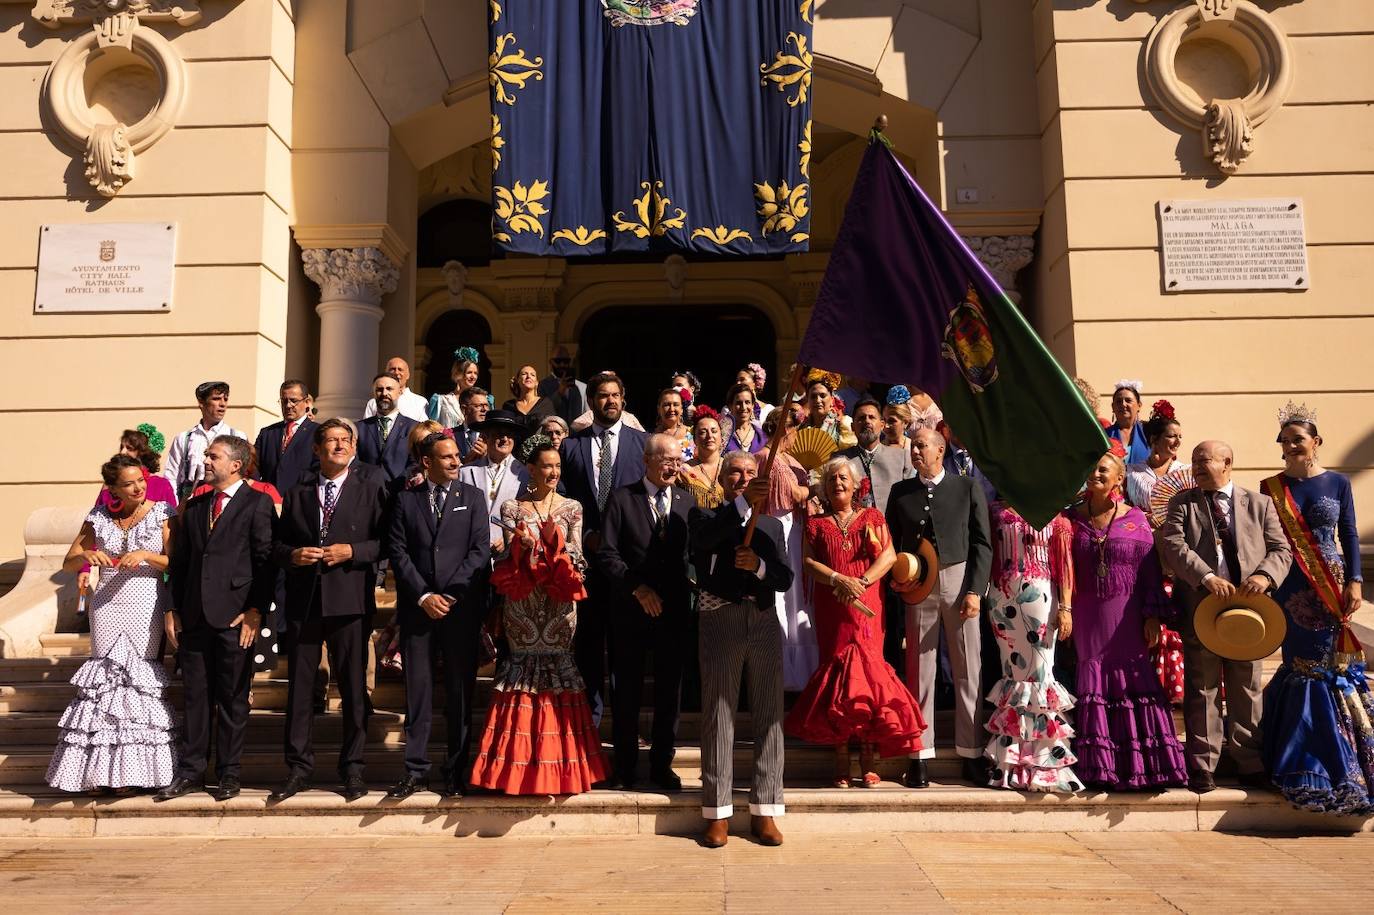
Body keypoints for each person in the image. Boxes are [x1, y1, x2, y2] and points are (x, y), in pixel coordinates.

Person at [470, 435, 608, 793]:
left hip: (560, 603)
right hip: (523, 603)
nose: (553, 472)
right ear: (531, 469)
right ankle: (516, 770)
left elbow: (580, 558)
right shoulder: (513, 509)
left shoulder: (573, 507)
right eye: (546, 465)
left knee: (559, 669)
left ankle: (562, 768)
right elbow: (503, 562)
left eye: (557, 466)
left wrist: (555, 549)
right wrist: (521, 546)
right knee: (523, 671)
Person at [1156, 440, 1291, 793]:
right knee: (1203, 686)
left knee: (1245, 684)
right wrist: (1206, 577)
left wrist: (1264, 576)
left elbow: (1281, 549)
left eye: (1205, 461)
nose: (1197, 467)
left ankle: (1249, 762)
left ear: (1227, 463)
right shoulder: (1181, 504)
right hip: (1203, 606)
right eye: (1195, 461)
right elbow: (1173, 544)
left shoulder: (1259, 504)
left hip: (1250, 609)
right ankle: (1204, 764)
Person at [268, 419, 389, 802]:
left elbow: (388, 541)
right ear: (317, 449)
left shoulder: (371, 485)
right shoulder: (300, 489)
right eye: (331, 441)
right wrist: (293, 555)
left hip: (350, 599)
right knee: (301, 691)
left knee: (353, 689)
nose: (338, 445)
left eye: (344, 440)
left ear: (354, 447)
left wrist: (353, 551)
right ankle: (298, 768)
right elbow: (277, 546)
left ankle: (352, 768)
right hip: (305, 601)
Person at [1258, 404, 1370, 815]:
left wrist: (1355, 580)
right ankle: (1302, 758)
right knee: (1299, 664)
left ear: (1316, 443)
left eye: (1297, 440)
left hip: (1330, 583)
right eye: (1284, 441)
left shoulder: (1337, 483)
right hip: (1290, 585)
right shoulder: (1270, 488)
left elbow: (1350, 533)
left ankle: (1341, 760)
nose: (1289, 447)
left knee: (1330, 665)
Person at [785, 459, 924, 788]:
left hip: (866, 605)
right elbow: (807, 563)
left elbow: (888, 557)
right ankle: (842, 759)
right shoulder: (816, 524)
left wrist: (859, 581)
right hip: (832, 606)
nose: (838, 483)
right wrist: (837, 579)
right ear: (824, 487)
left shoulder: (872, 517)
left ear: (856, 483)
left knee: (869, 678)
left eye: (844, 478)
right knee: (838, 678)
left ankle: (868, 757)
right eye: (832, 479)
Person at [48, 454, 176, 795]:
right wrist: (86, 557)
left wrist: (147, 556)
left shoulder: (163, 512)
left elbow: (176, 561)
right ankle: (95, 773)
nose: (137, 487)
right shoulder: (98, 517)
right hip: (106, 603)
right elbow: (68, 561)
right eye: (129, 483)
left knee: (137, 681)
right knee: (103, 683)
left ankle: (132, 775)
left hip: (146, 601)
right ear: (113, 489)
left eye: (140, 480)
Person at [158, 436, 275, 801]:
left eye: (213, 456)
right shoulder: (194, 507)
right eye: (207, 455)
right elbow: (180, 564)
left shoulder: (258, 504)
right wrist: (172, 609)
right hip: (194, 618)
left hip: (236, 618)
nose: (206, 460)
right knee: (194, 699)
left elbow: (267, 564)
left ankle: (228, 773)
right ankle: (191, 771)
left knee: (233, 698)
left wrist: (255, 611)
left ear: (236, 465)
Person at [1062, 452, 1187, 790]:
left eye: (1103, 469)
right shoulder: (1071, 519)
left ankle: (1142, 768)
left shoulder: (1137, 519)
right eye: (1091, 467)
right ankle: (1100, 767)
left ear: (1119, 479)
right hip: (1086, 614)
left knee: (1133, 681)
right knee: (1093, 680)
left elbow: (1151, 572)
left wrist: (1152, 617)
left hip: (1128, 616)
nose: (1095, 473)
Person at [690, 451, 793, 848]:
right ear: (724, 478)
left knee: (770, 713)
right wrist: (742, 505)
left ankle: (766, 809)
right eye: (736, 471)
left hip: (763, 619)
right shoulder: (707, 515)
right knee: (719, 713)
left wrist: (759, 568)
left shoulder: (770, 525)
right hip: (721, 618)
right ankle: (717, 813)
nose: (745, 477)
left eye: (752, 472)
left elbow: (784, 577)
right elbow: (703, 542)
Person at [385, 432, 492, 798]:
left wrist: (448, 594)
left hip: (460, 609)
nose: (455, 462)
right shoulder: (405, 501)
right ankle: (415, 770)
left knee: (460, 693)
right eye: (446, 457)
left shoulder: (473, 498)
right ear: (426, 463)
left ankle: (456, 771)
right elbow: (398, 553)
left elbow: (479, 552)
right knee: (418, 692)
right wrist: (424, 595)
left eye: (456, 456)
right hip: (418, 611)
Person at [887, 426, 992, 788]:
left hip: (960, 583)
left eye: (921, 446)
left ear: (939, 449)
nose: (914, 451)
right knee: (919, 671)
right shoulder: (901, 492)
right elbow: (891, 544)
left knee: (968, 670)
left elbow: (982, 543)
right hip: (918, 586)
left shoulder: (966, 487)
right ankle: (919, 756)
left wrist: (976, 590)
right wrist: (897, 579)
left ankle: (972, 753)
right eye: (912, 446)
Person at [597, 433, 694, 790]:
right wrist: (637, 589)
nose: (674, 467)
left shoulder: (686, 501)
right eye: (667, 460)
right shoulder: (623, 499)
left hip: (673, 613)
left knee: (670, 692)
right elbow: (607, 554)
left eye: (678, 461)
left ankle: (661, 765)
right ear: (648, 461)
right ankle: (624, 767)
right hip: (630, 610)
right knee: (628, 693)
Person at [560, 371, 648, 724]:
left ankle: (626, 732)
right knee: (588, 649)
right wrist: (585, 534)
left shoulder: (643, 444)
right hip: (587, 564)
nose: (609, 401)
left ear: (623, 400)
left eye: (615, 396)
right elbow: (563, 498)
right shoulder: (571, 446)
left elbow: (647, 500)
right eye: (602, 396)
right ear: (591, 401)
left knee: (627, 653)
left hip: (629, 566)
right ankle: (590, 727)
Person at [983, 503, 1081, 792]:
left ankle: (1044, 766)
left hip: (1040, 597)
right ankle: (1010, 764)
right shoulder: (997, 512)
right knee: (1012, 677)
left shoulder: (1058, 516)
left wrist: (1066, 608)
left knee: (1040, 676)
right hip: (1002, 599)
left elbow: (1064, 564)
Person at [760, 407, 818, 691]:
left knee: (799, 598)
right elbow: (795, 494)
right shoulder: (766, 457)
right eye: (794, 430)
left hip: (796, 529)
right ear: (785, 429)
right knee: (783, 597)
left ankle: (803, 670)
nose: (796, 437)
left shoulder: (790, 458)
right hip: (778, 528)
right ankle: (786, 672)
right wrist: (814, 489)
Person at [459, 410, 530, 551]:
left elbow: (529, 517)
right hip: (471, 552)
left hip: (509, 555)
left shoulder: (525, 475)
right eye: (498, 434)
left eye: (509, 434)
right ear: (485, 437)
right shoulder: (465, 473)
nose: (504, 439)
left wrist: (509, 539)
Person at [163, 381, 246, 502]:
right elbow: (171, 477)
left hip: (225, 504)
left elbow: (244, 476)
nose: (223, 404)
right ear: (201, 402)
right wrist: (176, 510)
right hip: (190, 506)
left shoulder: (237, 436)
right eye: (216, 399)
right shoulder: (184, 438)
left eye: (226, 399)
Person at [840, 395, 913, 512]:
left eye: (872, 417)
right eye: (861, 418)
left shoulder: (901, 457)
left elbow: (910, 499)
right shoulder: (841, 459)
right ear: (853, 426)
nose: (867, 421)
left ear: (882, 425)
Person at [255, 380, 319, 493]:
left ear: (307, 402)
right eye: (284, 401)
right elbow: (254, 467)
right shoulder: (267, 433)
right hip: (269, 502)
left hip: (301, 501)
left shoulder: (318, 432)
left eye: (293, 401)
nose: (288, 405)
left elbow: (318, 469)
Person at [357, 374, 419, 483]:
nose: (384, 393)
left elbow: (416, 462)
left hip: (401, 492)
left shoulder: (414, 427)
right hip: (368, 493)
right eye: (379, 390)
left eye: (389, 389)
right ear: (374, 394)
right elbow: (355, 463)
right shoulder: (359, 428)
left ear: (400, 392)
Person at [1126, 400, 1185, 512]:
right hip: (1142, 527)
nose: (1178, 441)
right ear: (1154, 439)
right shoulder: (1132, 472)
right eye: (1172, 436)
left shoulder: (1184, 471)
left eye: (1180, 437)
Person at [678, 406, 726, 509]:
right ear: (695, 440)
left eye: (714, 431)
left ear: (721, 437)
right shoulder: (683, 471)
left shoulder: (731, 467)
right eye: (703, 432)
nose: (709, 436)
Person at [800, 370, 857, 449]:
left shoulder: (843, 426)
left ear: (832, 399)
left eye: (822, 396)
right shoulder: (801, 426)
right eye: (813, 396)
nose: (818, 400)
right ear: (808, 400)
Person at [363, 355, 428, 422]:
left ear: (408, 375)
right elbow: (367, 429)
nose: (396, 373)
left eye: (400, 369)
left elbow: (424, 429)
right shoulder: (373, 403)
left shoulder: (420, 402)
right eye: (392, 369)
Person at [428, 346, 482, 427]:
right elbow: (432, 429)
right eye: (469, 372)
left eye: (475, 373)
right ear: (458, 373)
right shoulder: (442, 401)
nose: (473, 376)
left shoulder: (482, 401)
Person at [538, 344, 587, 424]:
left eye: (566, 361)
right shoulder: (542, 385)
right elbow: (541, 411)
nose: (562, 364)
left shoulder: (580, 387)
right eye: (558, 361)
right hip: (553, 433)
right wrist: (559, 393)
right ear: (551, 362)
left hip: (575, 434)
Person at [1106, 380, 1150, 465]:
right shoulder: (1105, 435)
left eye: (1128, 400)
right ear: (1113, 406)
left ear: (1139, 405)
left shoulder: (1148, 432)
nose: (1123, 404)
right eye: (1118, 401)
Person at [502, 363, 556, 432]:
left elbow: (552, 428)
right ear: (518, 380)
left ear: (537, 383)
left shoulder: (546, 403)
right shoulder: (509, 405)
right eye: (524, 374)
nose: (528, 376)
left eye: (532, 375)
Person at [723, 383, 765, 455]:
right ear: (730, 406)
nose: (743, 407)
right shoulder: (723, 435)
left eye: (747, 402)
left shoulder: (762, 436)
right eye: (738, 403)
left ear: (752, 405)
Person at [654, 387, 694, 460]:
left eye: (676, 405)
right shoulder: (652, 436)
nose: (671, 409)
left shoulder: (692, 434)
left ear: (681, 409)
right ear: (659, 409)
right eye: (666, 405)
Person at [452, 386, 491, 460]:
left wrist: (486, 457)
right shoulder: (451, 435)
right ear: (464, 409)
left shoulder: (493, 435)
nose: (484, 409)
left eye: (486, 405)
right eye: (479, 406)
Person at [881, 387, 914, 451]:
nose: (886, 426)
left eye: (892, 421)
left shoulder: (913, 449)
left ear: (906, 422)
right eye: (884, 420)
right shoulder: (878, 449)